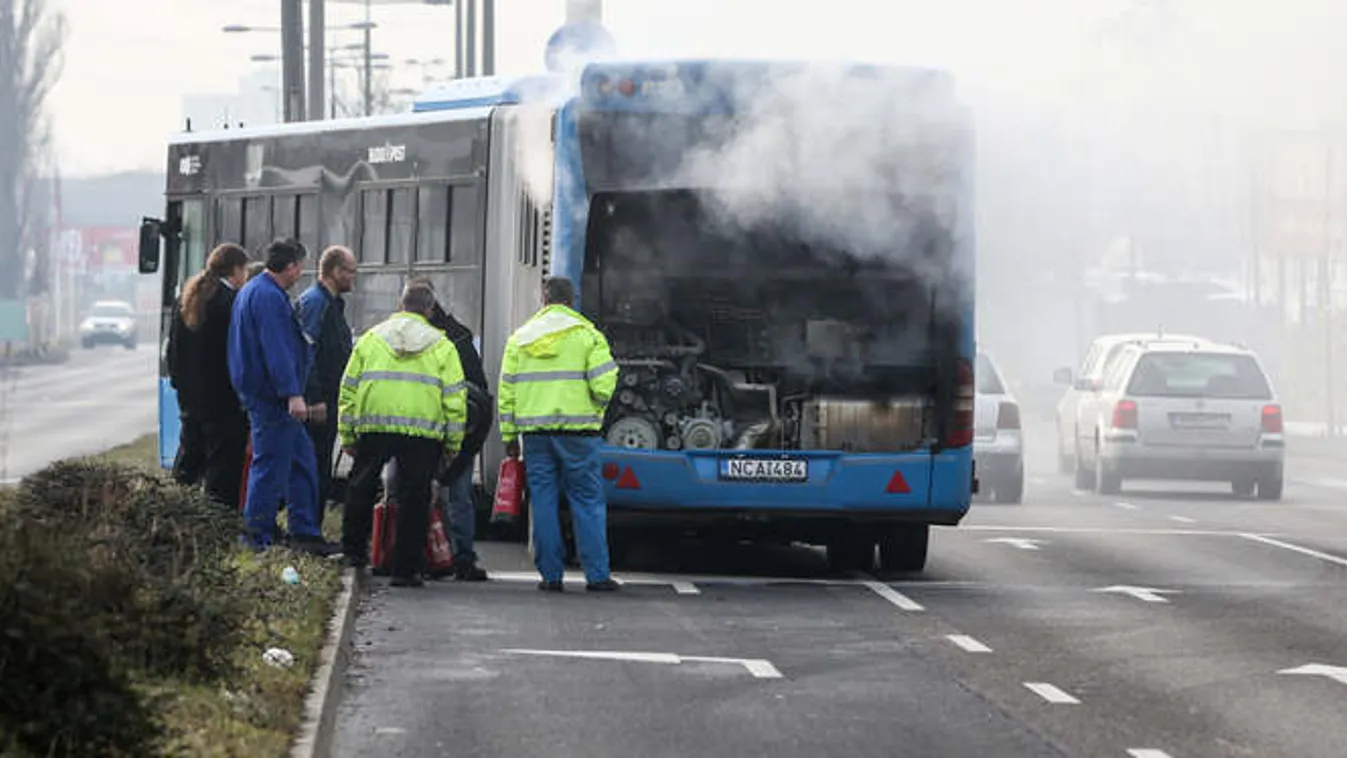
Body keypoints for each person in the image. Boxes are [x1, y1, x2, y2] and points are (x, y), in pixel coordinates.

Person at [339, 282, 468, 587]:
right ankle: (405, 570)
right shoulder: (442, 345)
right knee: (415, 498)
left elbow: (348, 390)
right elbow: (454, 398)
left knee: (361, 487)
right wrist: (453, 442)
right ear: (430, 310)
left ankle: (353, 554)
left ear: (400, 305)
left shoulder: (371, 339)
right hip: (423, 432)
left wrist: (347, 435)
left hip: (375, 425)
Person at [498, 276, 620, 592]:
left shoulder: (520, 339)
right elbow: (604, 384)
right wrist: (596, 408)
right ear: (572, 299)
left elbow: (506, 392)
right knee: (587, 500)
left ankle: (550, 576)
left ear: (544, 299)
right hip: (579, 433)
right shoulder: (588, 336)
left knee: (543, 500)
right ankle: (597, 575)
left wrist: (509, 435)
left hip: (535, 435)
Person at [228, 238, 336, 556]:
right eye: (299, 267)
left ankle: (305, 532)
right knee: (270, 466)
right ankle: (256, 536)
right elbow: (277, 349)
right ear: (290, 266)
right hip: (272, 398)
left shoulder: (254, 291)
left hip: (265, 394)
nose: (300, 274)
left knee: (302, 461)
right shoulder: (269, 297)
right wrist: (292, 393)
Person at [411, 276, 491, 581]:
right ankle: (462, 557)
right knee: (459, 495)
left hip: (421, 428)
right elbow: (478, 390)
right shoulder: (459, 336)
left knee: (419, 492)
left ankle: (426, 556)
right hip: (459, 427)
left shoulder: (412, 338)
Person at [166, 242, 250, 507]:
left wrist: (180, 385)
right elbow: (236, 353)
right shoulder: (231, 303)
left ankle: (176, 510)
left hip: (190, 399)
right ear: (236, 270)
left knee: (189, 461)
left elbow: (173, 350)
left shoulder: (187, 298)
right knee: (222, 469)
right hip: (222, 400)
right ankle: (217, 519)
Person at [297, 246, 357, 515]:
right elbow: (306, 353)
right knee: (313, 465)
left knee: (321, 465)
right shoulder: (316, 303)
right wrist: (315, 398)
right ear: (335, 271)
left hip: (331, 398)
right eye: (350, 272)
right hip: (319, 403)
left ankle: (313, 523)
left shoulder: (332, 304)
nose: (353, 278)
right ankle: (306, 525)